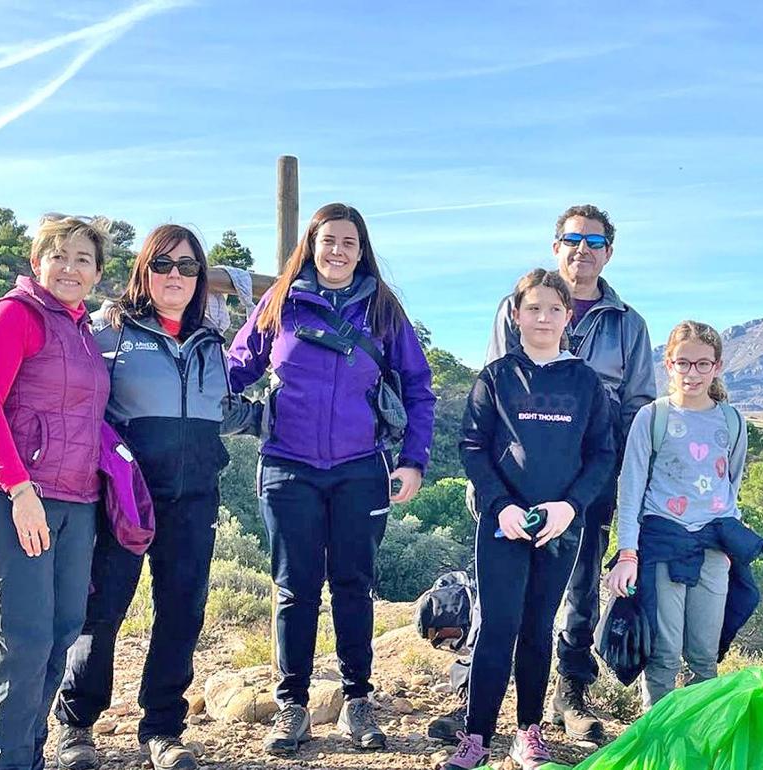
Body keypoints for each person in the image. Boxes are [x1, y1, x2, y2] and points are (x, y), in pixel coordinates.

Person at [431, 204, 654, 745]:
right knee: (497, 603)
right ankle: (474, 704)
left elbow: (634, 410)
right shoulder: (511, 319)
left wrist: (599, 490)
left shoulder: (627, 324)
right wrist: (490, 491)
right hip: (506, 492)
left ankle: (567, 696)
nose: (583, 250)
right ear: (557, 247)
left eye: (594, 241)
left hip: (583, 487)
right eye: (573, 239)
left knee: (575, 595)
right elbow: (490, 414)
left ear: (609, 251)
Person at [226, 202, 436, 755]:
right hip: (287, 466)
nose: (338, 251)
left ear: (361, 251)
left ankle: (357, 700)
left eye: (349, 242)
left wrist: (413, 459)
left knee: (352, 585)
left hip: (360, 468)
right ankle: (292, 705)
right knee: (295, 588)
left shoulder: (383, 310)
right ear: (312, 246)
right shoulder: (280, 302)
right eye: (328, 240)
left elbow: (418, 387)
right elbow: (234, 368)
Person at [52, 225, 261, 770]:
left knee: (182, 611)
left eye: (188, 267)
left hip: (194, 500)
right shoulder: (110, 331)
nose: (175, 276)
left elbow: (225, 412)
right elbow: (71, 394)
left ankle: (163, 730)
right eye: (163, 264)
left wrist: (294, 420)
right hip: (124, 498)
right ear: (143, 271)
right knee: (102, 610)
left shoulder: (212, 344)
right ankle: (76, 726)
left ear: (200, 279)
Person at [443, 269, 616, 770]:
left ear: (568, 317)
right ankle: (477, 736)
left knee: (538, 628)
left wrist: (570, 507)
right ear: (516, 315)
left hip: (560, 526)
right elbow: (472, 446)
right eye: (534, 308)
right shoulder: (495, 377)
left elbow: (602, 455)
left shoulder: (585, 382)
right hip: (504, 523)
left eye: (554, 309)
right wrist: (501, 504)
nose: (544, 317)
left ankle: (528, 732)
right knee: (498, 626)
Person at [0, 214, 112, 770]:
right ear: (37, 262)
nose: (70, 268)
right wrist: (19, 490)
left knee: (61, 632)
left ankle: (28, 755)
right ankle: (4, 761)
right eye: (59, 256)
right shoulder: (14, 314)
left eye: (82, 259)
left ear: (97, 273)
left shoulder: (84, 331)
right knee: (25, 640)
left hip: (77, 500)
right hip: (14, 496)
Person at [605, 321, 762, 708]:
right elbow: (631, 489)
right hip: (662, 543)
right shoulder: (653, 417)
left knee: (705, 655)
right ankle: (657, 730)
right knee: (664, 653)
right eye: (683, 363)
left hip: (714, 547)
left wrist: (730, 544)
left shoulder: (732, 421)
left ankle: (698, 730)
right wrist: (627, 554)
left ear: (717, 366)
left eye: (703, 364)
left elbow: (731, 483)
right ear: (669, 364)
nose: (692, 373)